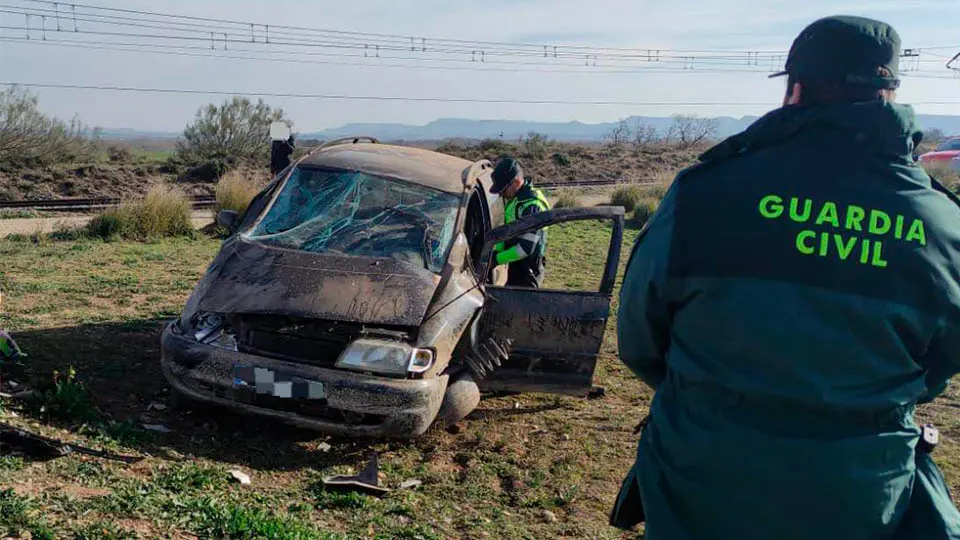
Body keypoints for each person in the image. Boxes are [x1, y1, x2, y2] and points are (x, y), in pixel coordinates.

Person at [611, 15, 960, 540]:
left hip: (703, 474)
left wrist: (717, 396)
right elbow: (942, 363)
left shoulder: (705, 193)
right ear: (890, 89)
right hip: (861, 487)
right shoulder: (940, 222)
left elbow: (640, 337)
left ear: (794, 88)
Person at [488, 157, 551, 288]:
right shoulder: (517, 200)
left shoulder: (532, 206)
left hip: (527, 271)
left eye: (503, 189)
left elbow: (526, 248)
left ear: (515, 182)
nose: (501, 194)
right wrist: (496, 250)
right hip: (515, 263)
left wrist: (496, 259)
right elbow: (505, 228)